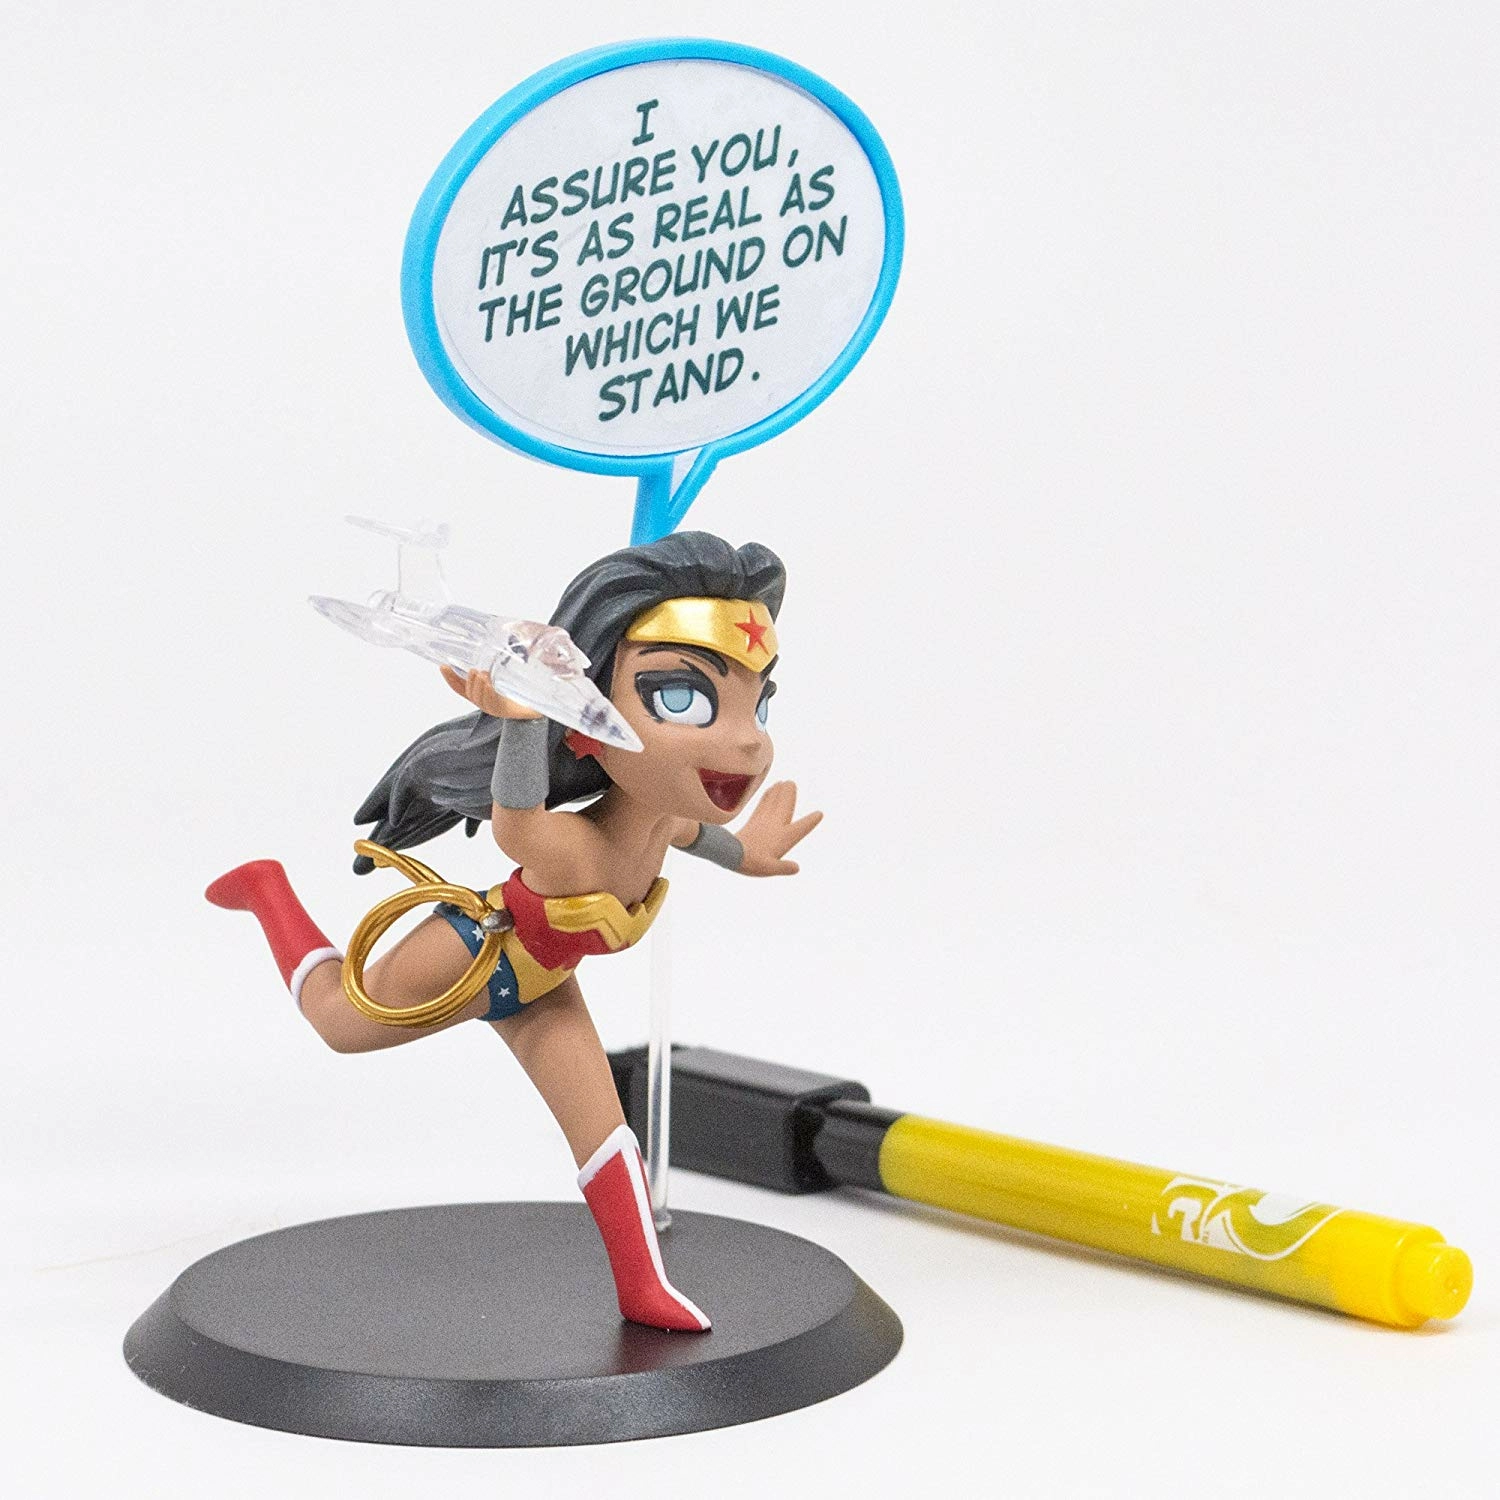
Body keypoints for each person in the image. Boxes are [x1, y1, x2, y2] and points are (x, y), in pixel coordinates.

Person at [205, 531, 821, 1332]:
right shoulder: (571, 848)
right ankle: (267, 892)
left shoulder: (661, 820)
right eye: (683, 699)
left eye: (758, 703)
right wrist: (528, 716)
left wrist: (752, 854)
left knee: (605, 1136)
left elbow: (700, 836)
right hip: (475, 955)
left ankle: (643, 1289)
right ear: (588, 724)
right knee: (338, 1022)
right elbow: (517, 822)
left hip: (545, 989)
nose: (748, 740)